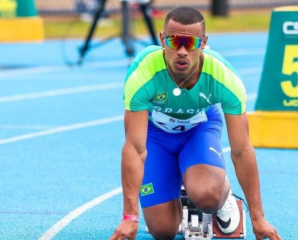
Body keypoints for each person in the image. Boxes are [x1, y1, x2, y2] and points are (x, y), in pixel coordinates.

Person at [109, 6, 282, 240]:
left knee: (207, 196)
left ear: (203, 43)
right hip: (156, 137)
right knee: (163, 231)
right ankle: (183, 192)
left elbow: (241, 151)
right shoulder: (142, 74)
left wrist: (258, 218)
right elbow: (134, 148)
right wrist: (130, 218)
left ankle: (223, 194)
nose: (181, 51)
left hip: (199, 131)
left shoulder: (224, 78)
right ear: (162, 40)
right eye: (174, 42)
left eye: (190, 43)